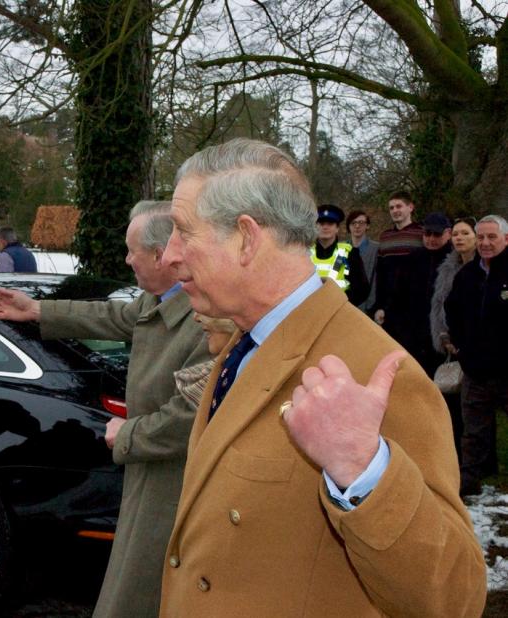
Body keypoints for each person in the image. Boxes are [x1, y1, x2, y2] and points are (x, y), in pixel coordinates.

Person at [158, 138, 485, 616]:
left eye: (183, 232)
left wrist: (364, 471)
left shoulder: (376, 371)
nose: (168, 255)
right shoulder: (245, 341)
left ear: (247, 239)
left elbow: (455, 599)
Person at [0, 200, 210, 618]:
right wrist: (37, 309)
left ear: (161, 256)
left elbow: (191, 415)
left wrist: (129, 436)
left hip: (173, 486)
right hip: (148, 475)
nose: (126, 259)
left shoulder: (206, 319)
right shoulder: (159, 300)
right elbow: (113, 315)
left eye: (131, 250)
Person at [445, 214, 508, 497]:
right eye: (480, 237)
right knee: (473, 433)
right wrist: (462, 349)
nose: (484, 242)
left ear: (505, 239)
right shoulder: (467, 275)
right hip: (475, 371)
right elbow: (452, 311)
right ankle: (468, 486)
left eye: (491, 237)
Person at [430, 216, 478, 462]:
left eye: (465, 234)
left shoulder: (486, 266)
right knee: (456, 407)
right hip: (452, 343)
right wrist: (444, 335)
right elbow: (441, 305)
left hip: (480, 347)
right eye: (456, 234)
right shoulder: (447, 267)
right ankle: (457, 458)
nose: (459, 238)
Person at [384, 212, 453, 376]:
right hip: (412, 335)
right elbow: (397, 297)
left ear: (448, 233)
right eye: (427, 234)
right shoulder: (412, 259)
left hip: (441, 337)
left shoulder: (455, 260)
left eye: (437, 234)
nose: (431, 239)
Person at [372, 190, 424, 333]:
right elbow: (381, 275)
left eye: (399, 206)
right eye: (391, 208)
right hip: (389, 307)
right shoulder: (385, 237)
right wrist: (380, 305)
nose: (395, 210)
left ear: (410, 207)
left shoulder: (422, 234)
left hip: (415, 305)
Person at [308, 204, 368, 305]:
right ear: (315, 227)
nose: (325, 227)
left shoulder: (349, 253)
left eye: (330, 223)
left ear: (337, 228)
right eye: (321, 223)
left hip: (339, 311)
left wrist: (343, 305)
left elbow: (362, 290)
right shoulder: (305, 254)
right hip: (310, 310)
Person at [346, 209, 378, 311]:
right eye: (353, 223)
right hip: (345, 306)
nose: (357, 226)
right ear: (349, 226)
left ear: (367, 225)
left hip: (368, 308)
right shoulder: (341, 249)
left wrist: (370, 307)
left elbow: (376, 281)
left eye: (361, 222)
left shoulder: (376, 249)